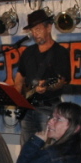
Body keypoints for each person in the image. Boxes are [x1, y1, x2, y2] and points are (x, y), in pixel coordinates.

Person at [14, 9, 71, 146]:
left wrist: (48, 87)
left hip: (48, 108)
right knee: (27, 147)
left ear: (49, 27)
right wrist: (18, 99)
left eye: (38, 29)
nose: (35, 33)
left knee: (46, 147)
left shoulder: (60, 52)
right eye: (32, 30)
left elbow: (61, 81)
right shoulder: (28, 52)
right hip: (27, 108)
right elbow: (20, 77)